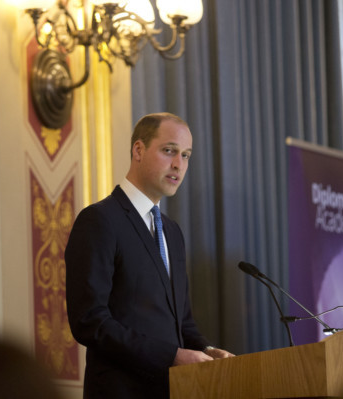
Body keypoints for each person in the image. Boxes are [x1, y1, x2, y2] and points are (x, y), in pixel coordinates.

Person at [65, 112, 233, 398]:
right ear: (138, 150)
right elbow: (89, 321)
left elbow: (182, 322)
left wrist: (205, 350)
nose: (179, 164)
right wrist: (172, 356)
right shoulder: (100, 220)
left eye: (186, 155)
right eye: (169, 151)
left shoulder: (172, 232)